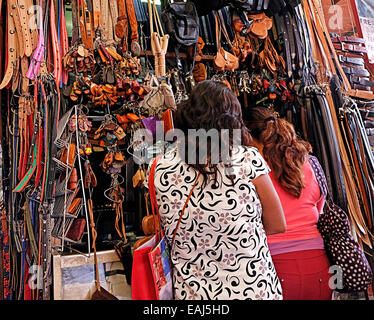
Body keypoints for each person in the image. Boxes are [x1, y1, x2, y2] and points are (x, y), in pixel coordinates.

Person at [146, 80, 286, 300]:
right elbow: (278, 224)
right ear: (232, 123)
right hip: (254, 290)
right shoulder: (247, 159)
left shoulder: (159, 167)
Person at [244, 107, 333, 300]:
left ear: (249, 137)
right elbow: (319, 209)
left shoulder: (253, 170)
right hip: (320, 266)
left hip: (275, 268)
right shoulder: (311, 163)